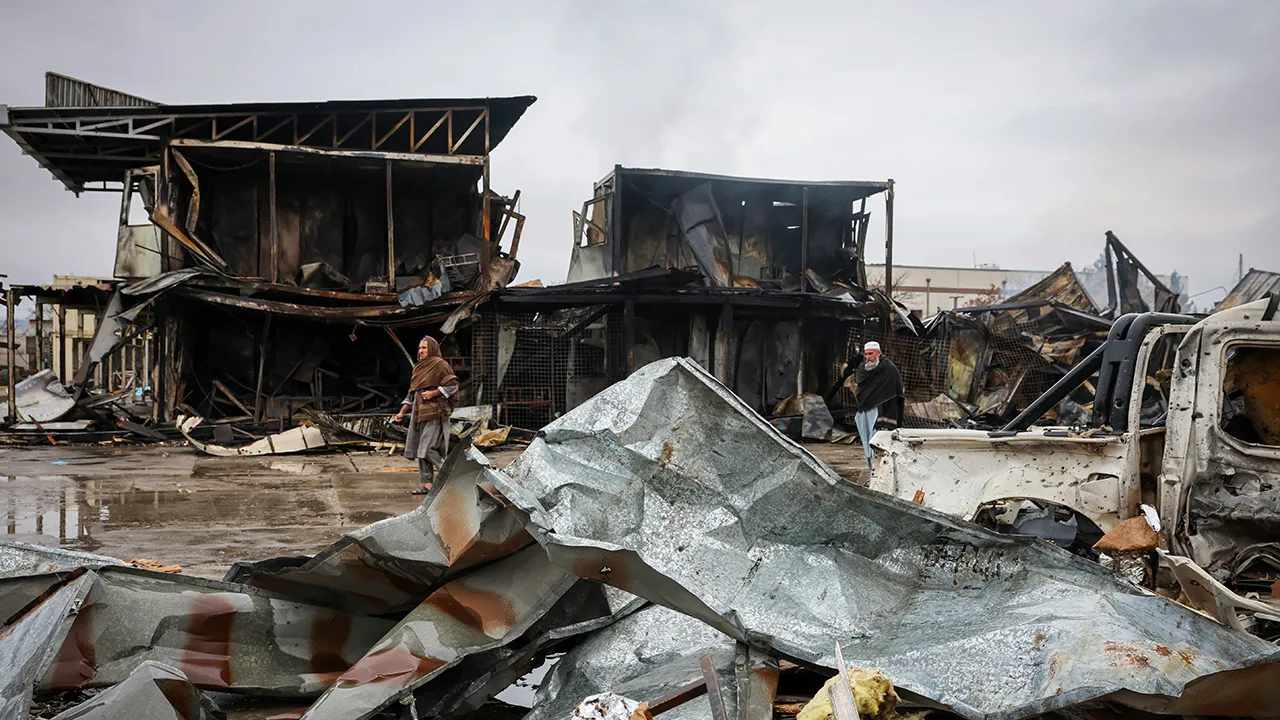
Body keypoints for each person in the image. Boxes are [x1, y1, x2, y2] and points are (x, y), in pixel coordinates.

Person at [393, 336, 459, 495]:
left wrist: (433, 393)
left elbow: (453, 386)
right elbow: (412, 394)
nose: (420, 351)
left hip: (435, 413)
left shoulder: (440, 365)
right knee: (420, 451)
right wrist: (401, 413)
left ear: (432, 348)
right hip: (419, 414)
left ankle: (450, 475)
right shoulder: (418, 368)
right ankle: (427, 486)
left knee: (427, 449)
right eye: (419, 348)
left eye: (424, 348)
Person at [853, 341, 904, 472]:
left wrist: (888, 414)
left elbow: (896, 393)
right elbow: (861, 389)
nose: (868, 357)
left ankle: (883, 472)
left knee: (879, 443)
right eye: (866, 354)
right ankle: (873, 472)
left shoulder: (889, 369)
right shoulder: (864, 370)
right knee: (867, 444)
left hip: (881, 413)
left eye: (871, 354)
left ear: (879, 353)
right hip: (865, 411)